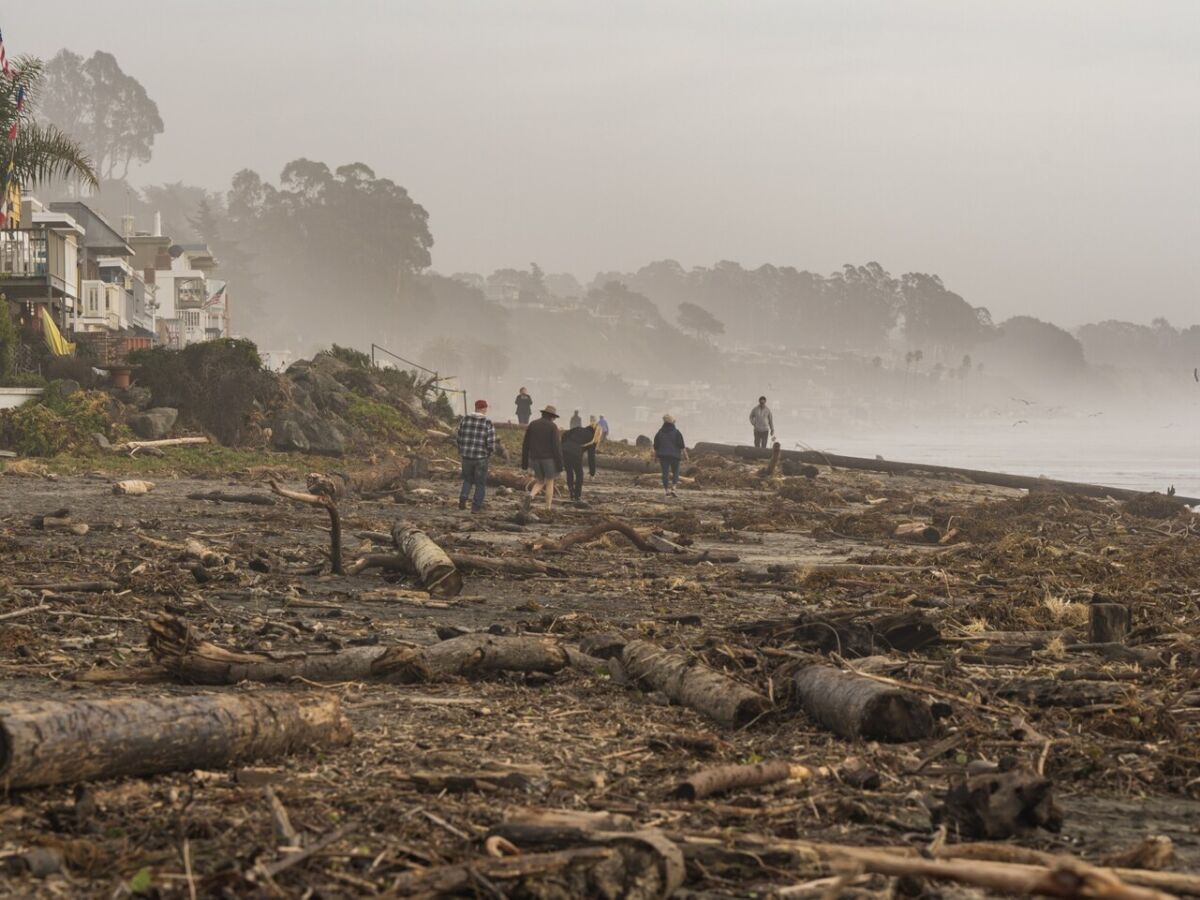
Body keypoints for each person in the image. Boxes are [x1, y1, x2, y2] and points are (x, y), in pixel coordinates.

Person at [455, 399, 496, 512]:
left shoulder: (465, 419)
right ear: (483, 408)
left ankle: (463, 497)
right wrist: (489, 452)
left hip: (467, 456)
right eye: (486, 408)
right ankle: (475, 507)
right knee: (480, 483)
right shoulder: (488, 422)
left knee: (467, 479)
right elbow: (491, 441)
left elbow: (458, 436)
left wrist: (461, 450)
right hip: (481, 457)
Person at [521, 404, 563, 511]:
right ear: (552, 416)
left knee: (540, 481)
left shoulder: (533, 424)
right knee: (550, 482)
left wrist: (525, 462)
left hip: (535, 458)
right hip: (549, 459)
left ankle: (531, 495)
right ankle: (547, 507)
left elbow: (526, 444)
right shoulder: (552, 427)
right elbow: (556, 447)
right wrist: (559, 464)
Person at [562, 418, 602, 500]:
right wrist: (592, 473)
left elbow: (564, 434)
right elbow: (591, 457)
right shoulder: (592, 439)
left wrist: (564, 445)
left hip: (564, 450)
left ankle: (571, 492)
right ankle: (577, 495)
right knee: (579, 474)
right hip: (575, 453)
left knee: (569, 472)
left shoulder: (578, 429)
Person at [653, 413, 688, 498]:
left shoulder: (659, 432)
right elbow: (682, 446)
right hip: (675, 456)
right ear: (672, 422)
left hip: (663, 455)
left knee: (665, 473)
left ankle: (666, 490)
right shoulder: (677, 432)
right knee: (675, 472)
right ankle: (673, 488)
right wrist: (686, 456)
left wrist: (655, 457)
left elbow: (656, 446)